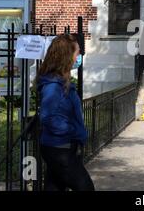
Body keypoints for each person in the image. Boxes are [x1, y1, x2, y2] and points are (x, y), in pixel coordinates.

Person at [37, 34, 95, 191]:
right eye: (77, 52)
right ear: (67, 56)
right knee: (85, 187)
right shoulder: (53, 86)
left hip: (60, 147)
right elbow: (48, 117)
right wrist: (72, 131)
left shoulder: (60, 82)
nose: (79, 56)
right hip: (59, 148)